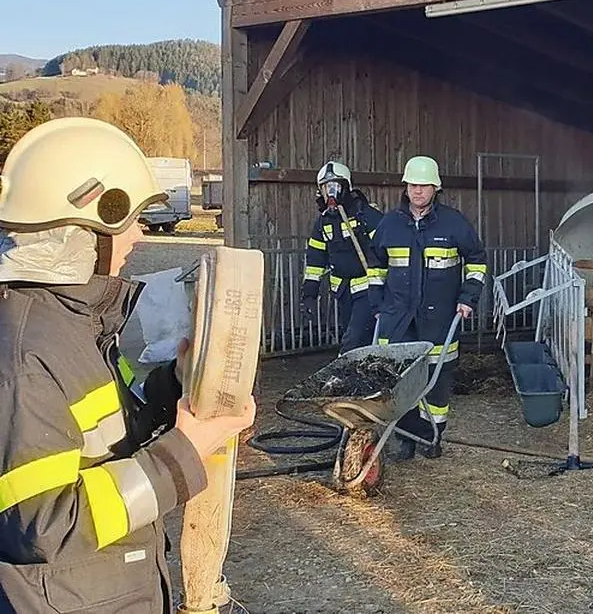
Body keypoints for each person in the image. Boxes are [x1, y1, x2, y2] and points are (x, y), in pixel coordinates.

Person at [0, 117, 256, 613]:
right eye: (130, 218)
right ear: (84, 229)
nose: (140, 233)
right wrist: (184, 452)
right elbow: (42, 522)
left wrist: (177, 387)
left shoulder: (71, 324)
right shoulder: (28, 355)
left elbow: (108, 437)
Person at [367, 155, 487, 459]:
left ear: (436, 188)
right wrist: (378, 304)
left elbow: (476, 261)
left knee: (437, 386)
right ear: (405, 187)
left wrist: (468, 297)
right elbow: (376, 266)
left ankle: (432, 438)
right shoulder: (389, 225)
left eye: (424, 185)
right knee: (401, 383)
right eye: (413, 185)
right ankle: (406, 440)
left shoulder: (454, 223)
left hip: (440, 319)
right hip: (398, 319)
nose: (418, 191)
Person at [300, 160, 384, 355]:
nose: (331, 192)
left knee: (353, 340)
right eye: (326, 187)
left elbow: (385, 250)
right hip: (343, 292)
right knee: (352, 335)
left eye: (336, 186)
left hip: (368, 291)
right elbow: (315, 261)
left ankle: (342, 375)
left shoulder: (367, 216)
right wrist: (309, 295)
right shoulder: (322, 224)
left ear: (346, 187)